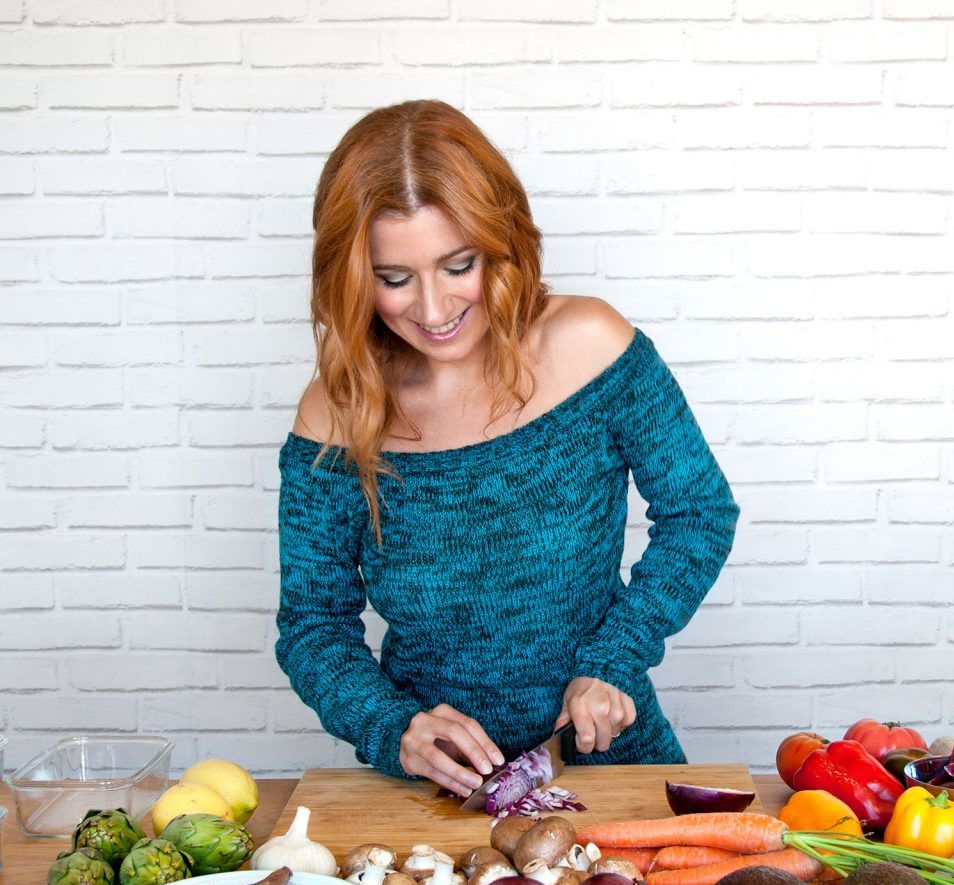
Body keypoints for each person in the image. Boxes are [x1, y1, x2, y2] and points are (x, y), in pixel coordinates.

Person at [275, 99, 739, 799]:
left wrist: (616, 658)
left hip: (611, 764)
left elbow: (699, 512)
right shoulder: (335, 413)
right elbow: (314, 625)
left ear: (502, 240)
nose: (433, 310)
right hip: (436, 798)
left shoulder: (590, 346)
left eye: (458, 265)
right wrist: (392, 726)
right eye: (394, 279)